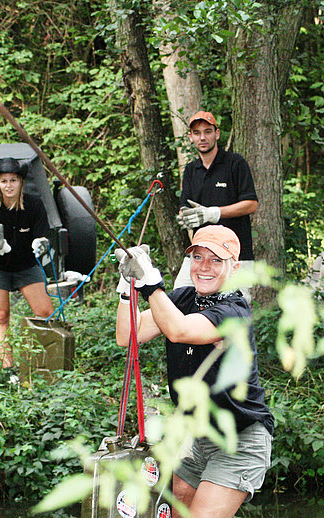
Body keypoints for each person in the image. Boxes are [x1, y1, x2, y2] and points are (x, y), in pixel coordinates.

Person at [114, 225, 273, 518]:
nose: (204, 267)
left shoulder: (234, 311)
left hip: (239, 438)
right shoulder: (182, 298)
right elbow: (128, 335)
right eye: (198, 258)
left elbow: (179, 330)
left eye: (216, 260)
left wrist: (151, 284)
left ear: (234, 267)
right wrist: (128, 291)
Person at [0, 157, 54, 368]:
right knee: (1, 315)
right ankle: (7, 369)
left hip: (26, 264)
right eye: (3, 181)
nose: (8, 185)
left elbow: (43, 236)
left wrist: (41, 243)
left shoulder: (34, 205)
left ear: (21, 182)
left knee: (46, 312)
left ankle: (44, 365)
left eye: (13, 180)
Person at [175, 111, 258, 289]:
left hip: (236, 255)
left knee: (234, 311)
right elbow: (184, 205)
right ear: (190, 137)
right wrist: (186, 216)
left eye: (208, 131)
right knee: (179, 296)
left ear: (217, 133)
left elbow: (251, 204)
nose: (202, 137)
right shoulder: (191, 170)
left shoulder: (235, 163)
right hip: (201, 255)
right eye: (197, 133)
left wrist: (213, 213)